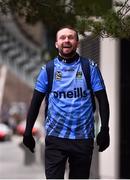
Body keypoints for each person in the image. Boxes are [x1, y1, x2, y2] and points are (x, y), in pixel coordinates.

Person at [23, 26, 110, 179]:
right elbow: (35, 103)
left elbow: (103, 100)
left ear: (77, 42)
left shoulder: (90, 68)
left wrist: (104, 129)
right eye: (62, 37)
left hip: (83, 138)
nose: (66, 40)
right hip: (55, 138)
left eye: (71, 37)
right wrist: (27, 131)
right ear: (56, 43)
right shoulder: (48, 70)